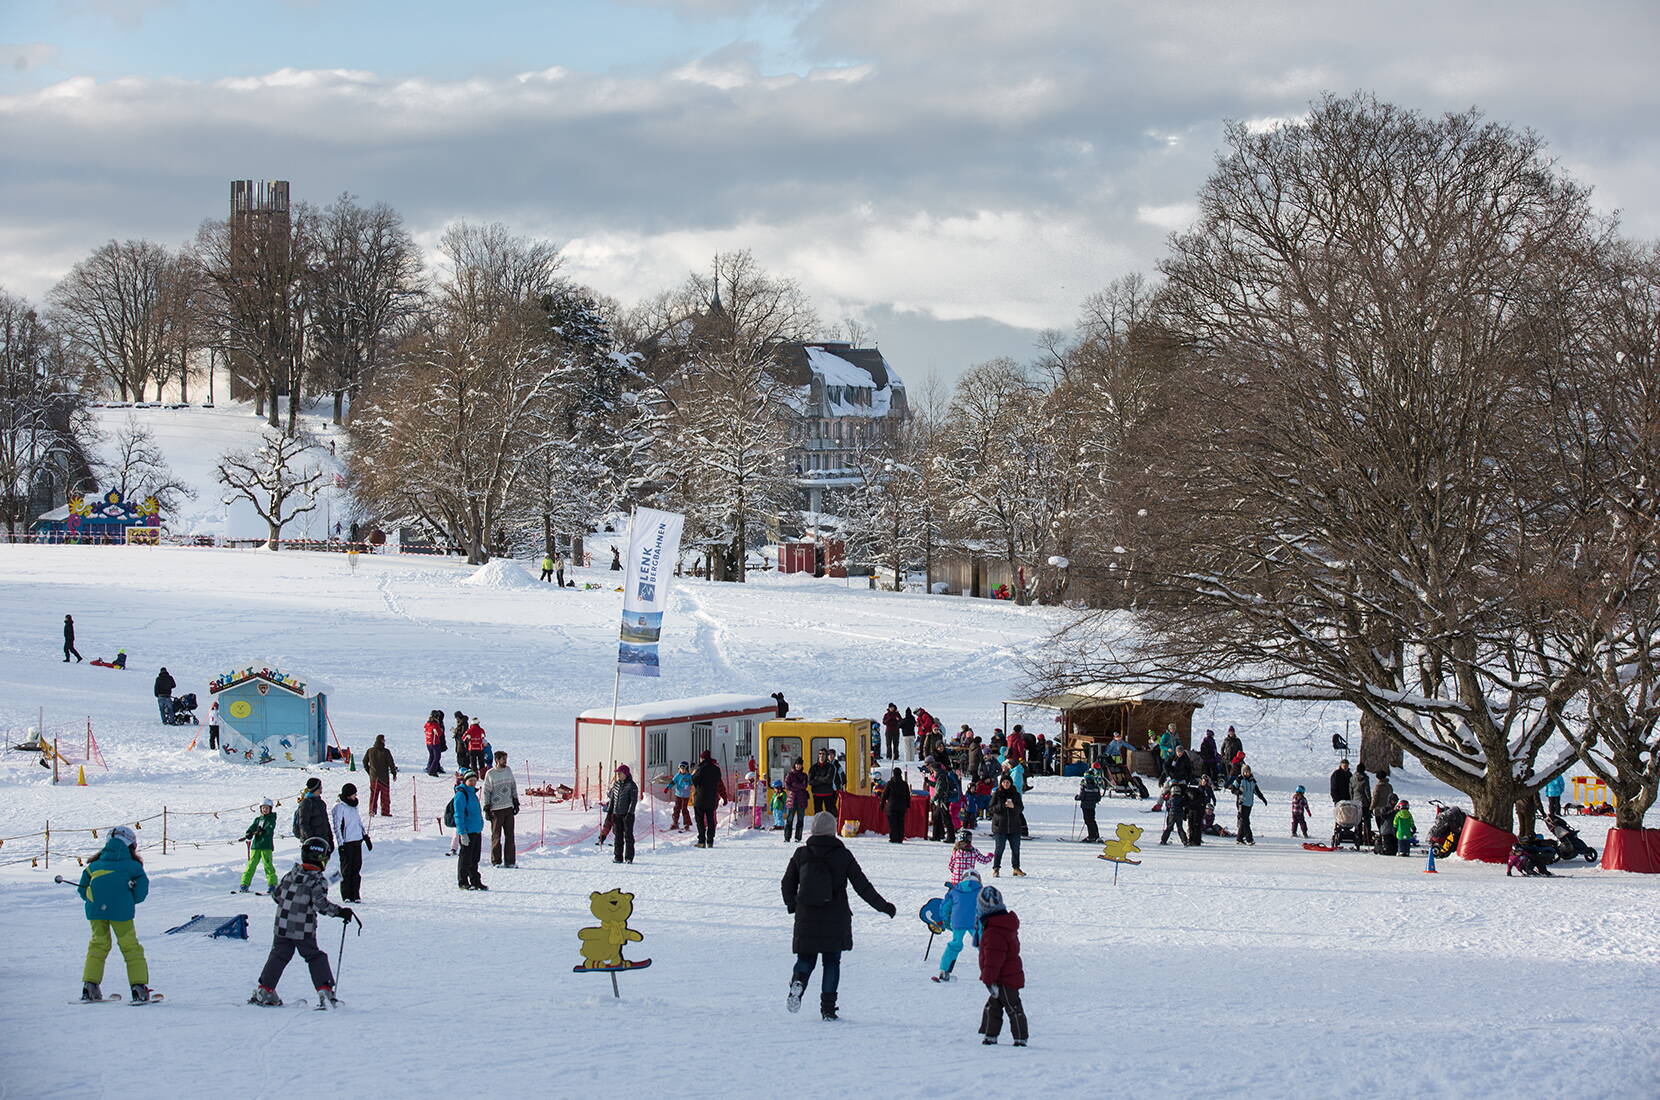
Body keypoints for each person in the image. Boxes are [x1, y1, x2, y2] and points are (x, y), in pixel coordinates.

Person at [781, 811, 896, 1021]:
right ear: (833, 830)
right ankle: (828, 1009)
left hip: (806, 916)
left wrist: (793, 905)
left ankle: (798, 981)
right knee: (831, 963)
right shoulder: (843, 855)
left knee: (806, 959)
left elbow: (786, 884)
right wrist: (884, 907)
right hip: (835, 918)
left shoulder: (801, 854)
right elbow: (863, 886)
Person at [248, 836, 351, 1007]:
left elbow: (277, 895)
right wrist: (340, 912)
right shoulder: (317, 880)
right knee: (314, 956)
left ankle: (265, 990)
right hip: (303, 929)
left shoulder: (291, 874)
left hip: (281, 926)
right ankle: (325, 991)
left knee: (278, 956)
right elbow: (321, 905)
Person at [76, 824, 151, 1003]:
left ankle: (90, 986)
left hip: (95, 911)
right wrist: (128, 899)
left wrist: (95, 900)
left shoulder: (93, 866)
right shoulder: (133, 867)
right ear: (131, 846)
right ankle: (138, 988)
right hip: (122, 912)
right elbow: (140, 894)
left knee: (98, 945)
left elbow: (82, 890)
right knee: (130, 946)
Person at [975, 885, 1028, 1047]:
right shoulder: (1001, 925)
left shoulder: (994, 931)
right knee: (993, 1006)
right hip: (1005, 975)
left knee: (1012, 1007)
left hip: (1004, 978)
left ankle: (1020, 1038)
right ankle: (990, 1035)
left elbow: (993, 958)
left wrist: (988, 979)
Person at [933, 872, 982, 983]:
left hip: (957, 921)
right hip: (975, 922)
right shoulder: (981, 890)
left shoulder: (954, 890)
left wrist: (946, 922)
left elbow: (945, 907)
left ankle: (944, 971)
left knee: (955, 944)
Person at [330, 783, 368, 904]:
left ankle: (355, 894)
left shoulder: (354, 806)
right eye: (353, 794)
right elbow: (337, 827)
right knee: (347, 870)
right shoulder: (339, 807)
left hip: (357, 840)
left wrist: (365, 835)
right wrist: (341, 844)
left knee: (356, 869)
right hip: (347, 843)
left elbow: (358, 821)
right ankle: (346, 894)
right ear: (347, 795)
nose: (355, 796)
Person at [481, 750, 519, 867]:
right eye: (503, 759)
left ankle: (510, 861)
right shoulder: (490, 774)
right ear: (497, 760)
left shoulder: (508, 770)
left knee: (510, 835)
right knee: (496, 836)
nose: (505, 761)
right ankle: (496, 861)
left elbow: (513, 785)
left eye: (506, 759)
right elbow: (486, 791)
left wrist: (515, 801)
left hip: (508, 807)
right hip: (496, 809)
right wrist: (487, 807)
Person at [452, 770, 486, 890]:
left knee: (475, 858)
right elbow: (458, 815)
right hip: (467, 831)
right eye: (470, 780)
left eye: (474, 780)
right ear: (465, 781)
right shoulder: (461, 794)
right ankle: (463, 881)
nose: (472, 783)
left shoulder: (473, 793)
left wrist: (481, 824)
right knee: (465, 858)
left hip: (476, 830)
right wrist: (462, 833)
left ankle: (475, 881)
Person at [238, 799, 280, 893]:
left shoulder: (271, 818)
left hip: (266, 846)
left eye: (267, 808)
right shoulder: (258, 819)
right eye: (263, 808)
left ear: (270, 809)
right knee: (251, 865)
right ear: (260, 809)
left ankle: (272, 885)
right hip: (256, 846)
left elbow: (270, 827)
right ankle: (244, 884)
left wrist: (263, 831)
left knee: (268, 866)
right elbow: (252, 827)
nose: (265, 810)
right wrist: (249, 833)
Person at [989, 775, 1026, 877]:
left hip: (1014, 827)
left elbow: (1020, 808)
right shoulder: (997, 794)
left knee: (1016, 849)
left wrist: (1013, 806)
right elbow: (991, 809)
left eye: (1008, 782)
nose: (1006, 784)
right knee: (999, 849)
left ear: (1011, 783)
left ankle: (1016, 868)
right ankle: (996, 868)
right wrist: (1002, 806)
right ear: (1001, 783)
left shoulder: (1016, 794)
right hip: (1000, 827)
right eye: (1004, 782)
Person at [692, 749, 727, 848]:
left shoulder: (700, 769)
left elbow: (694, 781)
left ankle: (701, 841)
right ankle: (710, 841)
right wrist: (724, 797)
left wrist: (694, 774)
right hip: (712, 798)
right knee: (711, 820)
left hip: (700, 798)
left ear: (702, 758)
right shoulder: (716, 769)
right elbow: (719, 783)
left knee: (700, 821)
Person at [606, 764, 638, 863]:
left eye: (620, 773)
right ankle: (618, 857)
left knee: (628, 836)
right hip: (617, 814)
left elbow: (633, 801)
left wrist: (630, 813)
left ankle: (629, 857)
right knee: (618, 836)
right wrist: (610, 812)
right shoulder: (616, 785)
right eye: (618, 773)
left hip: (627, 815)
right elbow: (612, 800)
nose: (618, 775)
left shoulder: (632, 785)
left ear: (625, 773)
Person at [362, 734, 397, 817]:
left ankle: (372, 811)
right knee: (385, 796)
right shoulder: (386, 752)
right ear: (382, 741)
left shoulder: (370, 750)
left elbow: (364, 762)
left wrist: (369, 771)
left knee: (373, 795)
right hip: (384, 778)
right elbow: (391, 763)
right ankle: (385, 812)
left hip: (373, 778)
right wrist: (394, 773)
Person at [292, 777, 332, 844]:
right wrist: (310, 840)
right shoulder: (306, 803)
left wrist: (330, 840)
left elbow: (326, 823)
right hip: (311, 843)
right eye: (320, 787)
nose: (321, 789)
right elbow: (303, 824)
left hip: (323, 841)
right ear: (316, 788)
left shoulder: (321, 803)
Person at [1235, 765, 1267, 845]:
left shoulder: (1252, 781)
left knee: (1243, 821)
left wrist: (1263, 798)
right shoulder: (1240, 779)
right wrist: (1237, 792)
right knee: (1246, 822)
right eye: (1245, 772)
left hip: (1249, 804)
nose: (1247, 773)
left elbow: (1257, 791)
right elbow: (1232, 788)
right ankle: (1249, 839)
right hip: (1241, 803)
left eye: (1248, 772)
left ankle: (1239, 839)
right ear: (1243, 772)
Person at [1076, 763, 1106, 843]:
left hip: (1085, 806)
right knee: (1092, 820)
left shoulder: (1084, 786)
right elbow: (1098, 797)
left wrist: (1077, 798)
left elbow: (1082, 796)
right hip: (1092, 805)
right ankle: (1096, 835)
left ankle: (1091, 836)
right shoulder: (1096, 786)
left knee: (1088, 821)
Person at [881, 766, 911, 842]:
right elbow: (908, 795)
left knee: (892, 823)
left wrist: (882, 805)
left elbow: (884, 795)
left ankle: (893, 838)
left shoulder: (890, 783)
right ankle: (900, 838)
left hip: (892, 806)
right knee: (901, 822)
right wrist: (908, 805)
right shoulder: (904, 784)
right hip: (902, 807)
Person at [782, 758, 809, 842]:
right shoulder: (790, 774)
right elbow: (786, 786)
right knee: (789, 819)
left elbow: (804, 786)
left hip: (801, 800)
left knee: (800, 819)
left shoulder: (804, 775)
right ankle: (787, 838)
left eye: (800, 764)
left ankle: (798, 837)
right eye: (797, 764)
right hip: (792, 799)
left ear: (802, 765)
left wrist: (794, 785)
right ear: (794, 765)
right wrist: (798, 786)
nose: (798, 766)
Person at [808, 749, 840, 816]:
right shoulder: (813, 767)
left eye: (823, 754)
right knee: (818, 814)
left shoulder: (831, 767)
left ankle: (830, 826)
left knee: (830, 814)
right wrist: (823, 780)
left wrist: (817, 778)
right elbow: (810, 781)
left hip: (828, 794)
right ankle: (819, 826)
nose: (821, 755)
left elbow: (829, 780)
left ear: (826, 756)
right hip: (817, 794)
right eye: (820, 753)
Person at [668, 761, 694, 831]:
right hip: (678, 795)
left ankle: (687, 824)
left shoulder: (689, 776)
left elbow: (692, 784)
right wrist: (668, 787)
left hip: (685, 796)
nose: (682, 770)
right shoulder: (677, 775)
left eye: (684, 768)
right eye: (681, 768)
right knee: (676, 808)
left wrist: (693, 789)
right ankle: (675, 823)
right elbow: (673, 782)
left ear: (687, 769)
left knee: (684, 809)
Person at [1186, 777, 1212, 845]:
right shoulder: (1191, 790)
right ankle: (1192, 840)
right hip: (1192, 809)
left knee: (1196, 825)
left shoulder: (1204, 789)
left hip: (1198, 809)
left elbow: (1203, 800)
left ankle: (1196, 840)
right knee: (1191, 825)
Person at [1352, 766, 1373, 842]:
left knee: (1358, 821)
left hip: (1356, 802)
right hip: (1364, 802)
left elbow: (1350, 790)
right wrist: (1370, 801)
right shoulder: (1365, 778)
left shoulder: (1352, 778)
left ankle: (1358, 837)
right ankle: (1367, 837)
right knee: (1367, 820)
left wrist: (1352, 800)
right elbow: (1367, 791)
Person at [423, 710, 446, 776]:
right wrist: (441, 730)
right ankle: (432, 771)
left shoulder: (427, 723)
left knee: (431, 756)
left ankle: (429, 768)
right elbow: (439, 733)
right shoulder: (435, 724)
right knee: (437, 757)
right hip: (435, 743)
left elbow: (425, 730)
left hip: (428, 743)